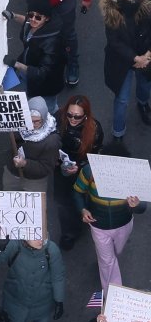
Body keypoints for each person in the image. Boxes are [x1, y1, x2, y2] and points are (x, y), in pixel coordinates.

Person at [72, 139, 146, 292]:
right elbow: (77, 192)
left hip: (124, 224)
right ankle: (113, 296)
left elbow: (143, 207)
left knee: (115, 253)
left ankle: (105, 261)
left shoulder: (133, 175)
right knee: (108, 261)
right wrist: (83, 210)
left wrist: (136, 205)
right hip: (98, 226)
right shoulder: (89, 171)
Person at [98, 0, 151, 141]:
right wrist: (136, 59)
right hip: (122, 61)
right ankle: (118, 132)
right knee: (122, 100)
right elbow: (114, 42)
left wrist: (147, 55)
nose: (136, 0)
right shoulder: (112, 12)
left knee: (145, 85)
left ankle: (143, 104)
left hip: (145, 55)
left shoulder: (146, 3)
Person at [54, 95, 103, 249]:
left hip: (81, 170)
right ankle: (69, 233)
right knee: (63, 202)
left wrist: (80, 168)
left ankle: (83, 220)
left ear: (86, 115)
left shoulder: (94, 129)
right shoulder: (58, 119)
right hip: (60, 168)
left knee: (81, 198)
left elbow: (95, 156)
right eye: (70, 115)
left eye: (77, 116)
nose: (72, 119)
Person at [2, 0, 66, 110]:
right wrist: (13, 16)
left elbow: (42, 72)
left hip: (46, 85)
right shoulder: (32, 24)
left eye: (38, 17)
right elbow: (26, 21)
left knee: (47, 110)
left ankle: (53, 119)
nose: (33, 19)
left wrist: (16, 64)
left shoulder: (52, 42)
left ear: (46, 18)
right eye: (31, 14)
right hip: (28, 72)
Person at [2, 96, 60, 193]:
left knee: (34, 206)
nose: (32, 125)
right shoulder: (19, 123)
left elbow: (46, 168)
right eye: (29, 120)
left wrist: (25, 163)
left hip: (34, 181)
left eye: (37, 121)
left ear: (44, 118)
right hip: (12, 172)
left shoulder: (52, 140)